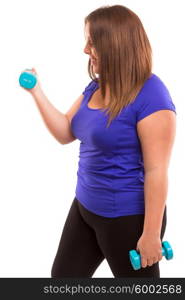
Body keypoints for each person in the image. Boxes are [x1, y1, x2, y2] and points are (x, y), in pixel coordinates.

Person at [20, 4, 177, 278]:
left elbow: (157, 171)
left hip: (127, 219)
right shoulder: (98, 85)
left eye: (92, 42)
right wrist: (36, 91)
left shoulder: (153, 98)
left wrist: (151, 234)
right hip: (85, 207)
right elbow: (65, 132)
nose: (85, 50)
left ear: (114, 45)